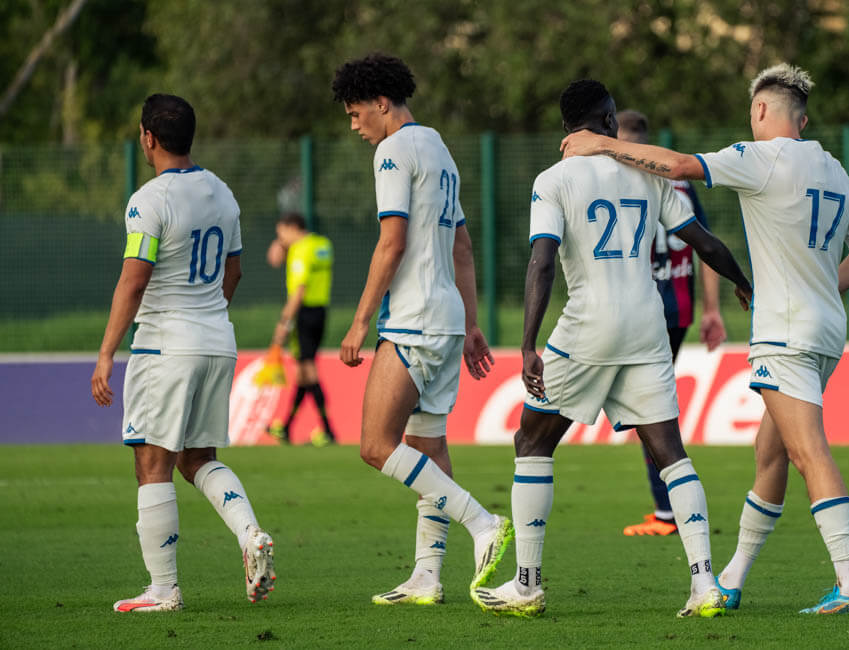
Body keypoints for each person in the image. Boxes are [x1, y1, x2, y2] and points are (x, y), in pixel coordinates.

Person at [561, 63, 849, 615]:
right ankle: (732, 577)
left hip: (785, 333)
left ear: (760, 109)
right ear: (803, 120)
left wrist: (603, 144)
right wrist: (816, 286)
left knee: (808, 451)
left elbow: (679, 167)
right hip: (826, 329)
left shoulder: (761, 157)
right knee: (770, 454)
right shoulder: (834, 169)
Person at [472, 80, 753, 619]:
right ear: (607, 120)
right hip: (648, 327)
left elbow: (542, 263)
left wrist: (528, 343)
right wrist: (742, 282)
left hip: (589, 327)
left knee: (532, 441)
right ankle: (704, 584)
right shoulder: (648, 175)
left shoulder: (553, 180)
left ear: (565, 127)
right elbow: (704, 242)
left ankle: (527, 585)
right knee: (670, 452)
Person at [331, 53, 511, 606]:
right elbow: (462, 245)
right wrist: (471, 323)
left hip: (413, 320)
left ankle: (482, 522)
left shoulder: (393, 152)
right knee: (427, 446)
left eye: (356, 113)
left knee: (374, 445)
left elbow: (393, 243)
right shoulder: (439, 148)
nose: (355, 125)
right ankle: (427, 575)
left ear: (382, 103)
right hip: (447, 320)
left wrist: (359, 322)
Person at [91, 94, 276, 612]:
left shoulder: (149, 201)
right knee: (197, 459)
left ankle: (163, 589)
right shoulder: (223, 194)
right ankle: (250, 534)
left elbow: (134, 280)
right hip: (217, 339)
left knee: (152, 462)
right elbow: (234, 271)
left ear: (148, 137)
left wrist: (105, 353)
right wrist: (207, 320)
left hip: (165, 345)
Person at [615, 109, 727, 537]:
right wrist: (711, 309)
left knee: (647, 409)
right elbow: (705, 244)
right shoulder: (677, 181)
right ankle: (666, 508)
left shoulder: (620, 177)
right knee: (650, 405)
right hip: (677, 310)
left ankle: (668, 512)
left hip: (639, 310)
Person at [265, 212, 337, 447]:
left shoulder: (300, 250)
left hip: (304, 313)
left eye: (281, 234)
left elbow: (299, 291)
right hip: (321, 311)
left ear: (292, 227)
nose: (281, 239)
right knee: (303, 373)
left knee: (308, 370)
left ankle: (328, 431)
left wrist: (284, 322)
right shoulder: (322, 244)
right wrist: (282, 246)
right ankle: (286, 427)